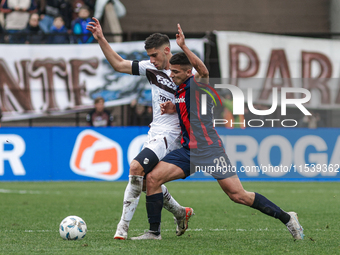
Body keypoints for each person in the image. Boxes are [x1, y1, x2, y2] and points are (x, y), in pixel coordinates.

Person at [131, 24, 304, 241]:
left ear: (187, 72)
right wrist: (173, 107)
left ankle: (288, 218)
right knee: (153, 178)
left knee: (238, 195)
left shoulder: (197, 82)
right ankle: (154, 233)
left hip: (211, 150)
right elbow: (189, 108)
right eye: (171, 71)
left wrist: (183, 47)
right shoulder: (180, 88)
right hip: (189, 151)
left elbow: (203, 71)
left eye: (175, 72)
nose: (171, 75)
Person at [87, 17, 194, 240]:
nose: (151, 60)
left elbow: (199, 96)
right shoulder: (149, 68)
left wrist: (175, 106)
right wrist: (101, 39)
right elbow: (118, 64)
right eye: (149, 56)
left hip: (172, 135)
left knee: (135, 168)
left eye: (154, 55)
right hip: (154, 132)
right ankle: (179, 212)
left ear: (167, 51)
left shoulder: (182, 73)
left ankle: (122, 228)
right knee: (146, 182)